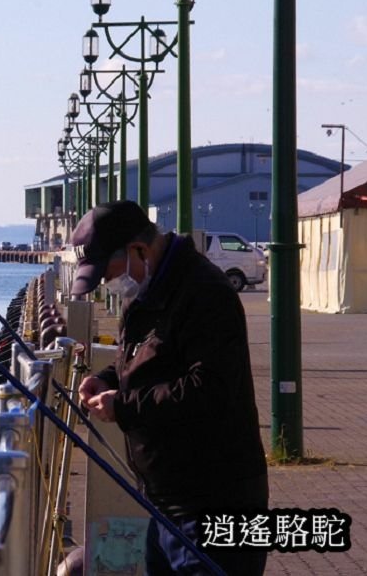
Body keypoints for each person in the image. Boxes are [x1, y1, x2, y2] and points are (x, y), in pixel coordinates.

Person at [73, 200, 268, 576]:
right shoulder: (144, 296)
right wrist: (108, 380)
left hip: (215, 502)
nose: (110, 283)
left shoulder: (205, 292)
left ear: (139, 250)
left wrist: (124, 407)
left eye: (108, 273)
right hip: (163, 504)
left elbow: (210, 387)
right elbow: (138, 361)